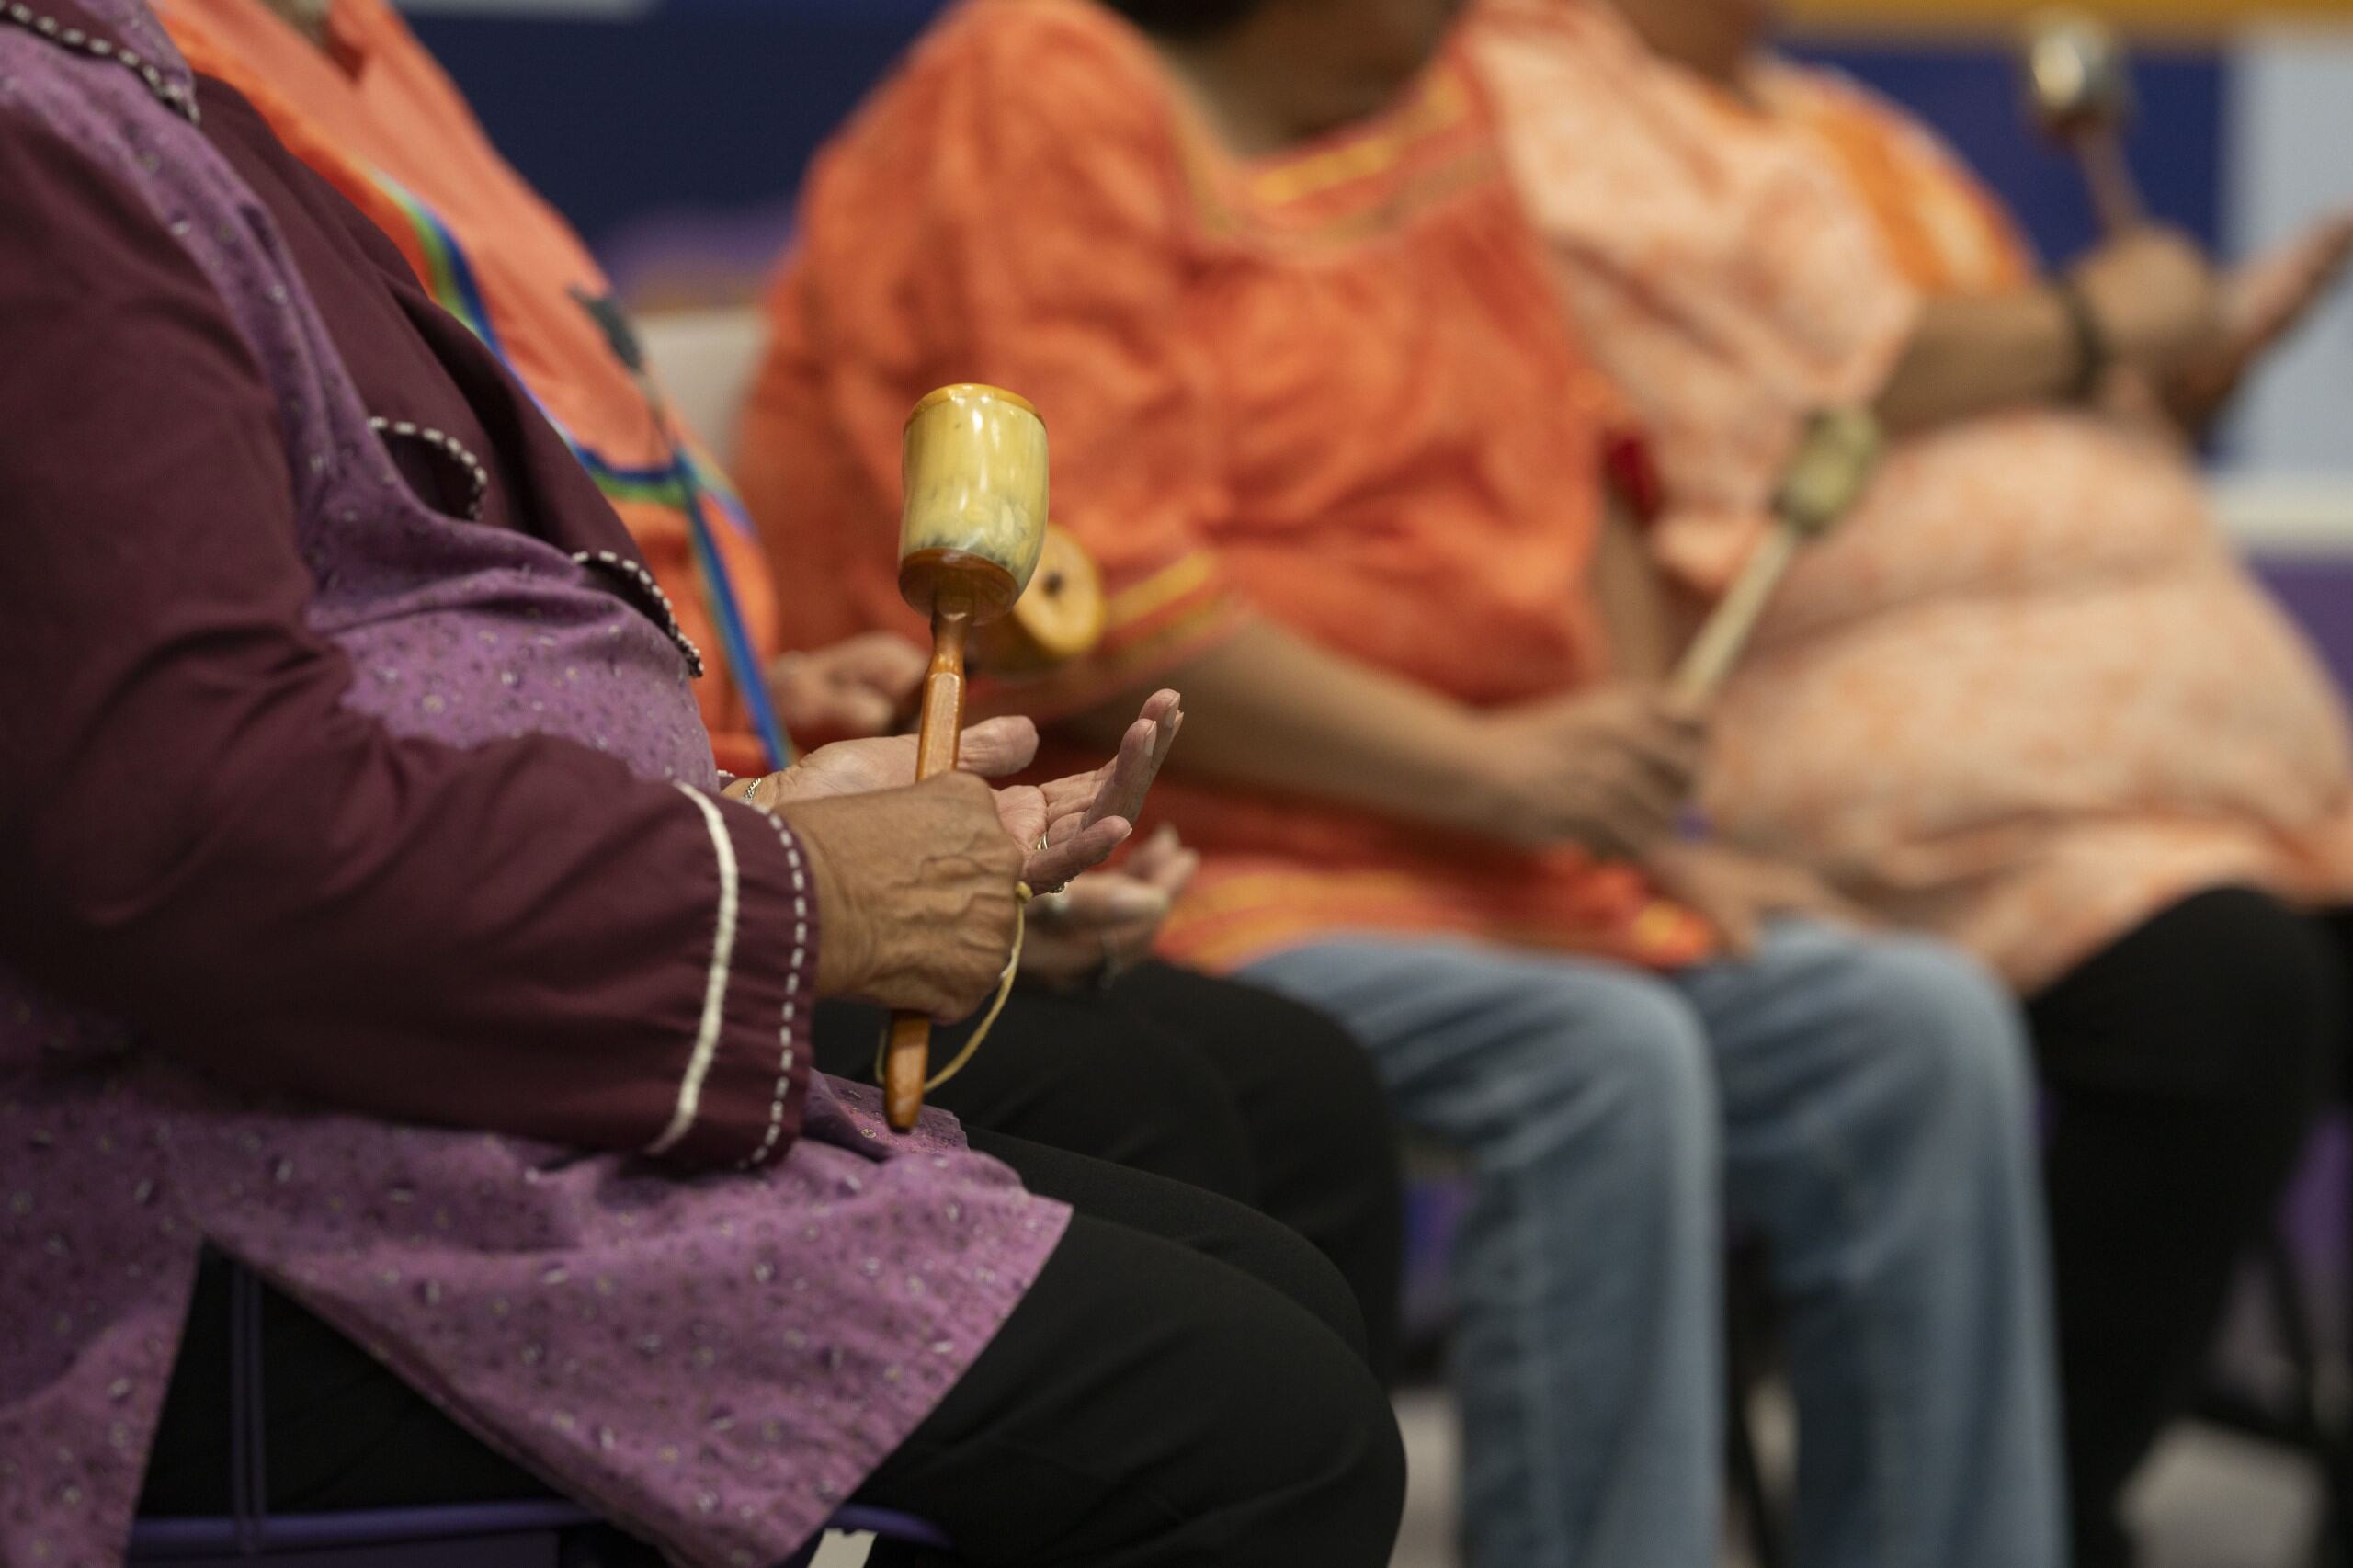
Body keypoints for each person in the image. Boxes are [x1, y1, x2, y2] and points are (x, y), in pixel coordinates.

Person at [0, 4, 1411, 1564]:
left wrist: (759, 818)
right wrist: (795, 889)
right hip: (238, 1174)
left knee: (1274, 1286)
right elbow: (196, 837)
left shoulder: (133, 95)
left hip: (411, 1046)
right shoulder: (36, 147)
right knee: (1261, 1424)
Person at [738, 2, 2064, 1565]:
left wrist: (1638, 797)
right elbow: (1109, 619)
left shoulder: (1445, 86)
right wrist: (1504, 774)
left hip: (1504, 840)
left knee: (1917, 1031)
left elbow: (1572, 464)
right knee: (1601, 1060)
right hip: (1179, 843)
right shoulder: (1039, 86)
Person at [1462, 2, 2353, 1560]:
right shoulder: (1523, 100)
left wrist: (2178, 374)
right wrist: (2096, 321)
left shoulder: (1844, 119)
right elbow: (1806, 382)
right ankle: (2043, 1508)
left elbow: (2030, 399)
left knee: (2269, 966)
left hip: (2188, 765)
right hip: (1851, 749)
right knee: (2227, 993)